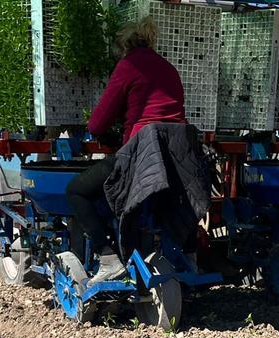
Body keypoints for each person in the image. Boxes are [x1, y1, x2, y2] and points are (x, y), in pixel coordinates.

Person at [65, 16, 187, 282]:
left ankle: (107, 259)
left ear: (124, 45)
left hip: (142, 157)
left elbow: (97, 124)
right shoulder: (169, 68)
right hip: (176, 160)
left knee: (76, 190)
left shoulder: (129, 65)